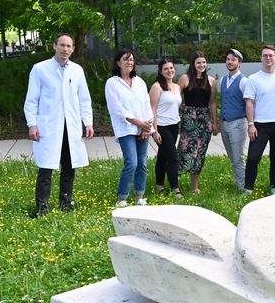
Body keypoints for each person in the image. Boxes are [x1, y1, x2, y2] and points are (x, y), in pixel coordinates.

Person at [23, 33, 94, 217]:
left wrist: (88, 122)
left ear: (73, 49)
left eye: (69, 46)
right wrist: (32, 124)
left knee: (69, 166)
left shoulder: (77, 70)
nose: (65, 49)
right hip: (49, 127)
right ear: (54, 46)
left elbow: (84, 99)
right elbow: (31, 100)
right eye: (62, 45)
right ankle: (42, 206)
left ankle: (66, 203)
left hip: (70, 127)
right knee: (46, 167)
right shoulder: (40, 69)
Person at [105, 50, 153, 207]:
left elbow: (147, 104)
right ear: (118, 62)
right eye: (126, 59)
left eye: (132, 59)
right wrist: (139, 123)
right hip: (126, 128)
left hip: (143, 127)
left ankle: (140, 196)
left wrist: (147, 127)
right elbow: (118, 110)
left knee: (142, 163)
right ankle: (122, 198)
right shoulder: (112, 83)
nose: (129, 62)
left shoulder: (139, 82)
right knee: (131, 162)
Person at [244, 45, 275, 194]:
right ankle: (248, 188)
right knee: (253, 158)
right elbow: (249, 102)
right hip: (260, 125)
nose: (268, 58)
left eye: (271, 55)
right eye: (265, 55)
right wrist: (251, 124)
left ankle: (274, 187)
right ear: (261, 58)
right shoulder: (253, 79)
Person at [177, 51, 218, 194]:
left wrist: (214, 122)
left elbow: (212, 102)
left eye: (204, 62)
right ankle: (174, 183)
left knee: (200, 153)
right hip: (189, 120)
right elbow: (175, 97)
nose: (202, 65)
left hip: (204, 120)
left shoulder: (211, 81)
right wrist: (181, 107)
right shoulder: (185, 78)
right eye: (198, 62)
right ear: (193, 64)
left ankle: (194, 187)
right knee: (185, 150)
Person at [149, 59, 182, 198]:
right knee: (173, 157)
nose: (169, 71)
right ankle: (175, 189)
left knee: (163, 156)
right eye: (166, 69)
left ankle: (159, 185)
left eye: (171, 68)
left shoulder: (176, 86)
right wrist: (154, 131)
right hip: (161, 127)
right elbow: (152, 109)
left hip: (174, 126)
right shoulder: (157, 87)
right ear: (161, 71)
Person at [219, 48, 248, 192]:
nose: (230, 62)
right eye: (228, 59)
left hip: (238, 123)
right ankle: (242, 182)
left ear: (239, 63)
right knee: (232, 157)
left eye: (233, 60)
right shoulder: (223, 80)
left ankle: (244, 188)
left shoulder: (243, 81)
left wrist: (251, 123)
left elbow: (249, 103)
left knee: (238, 158)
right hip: (224, 123)